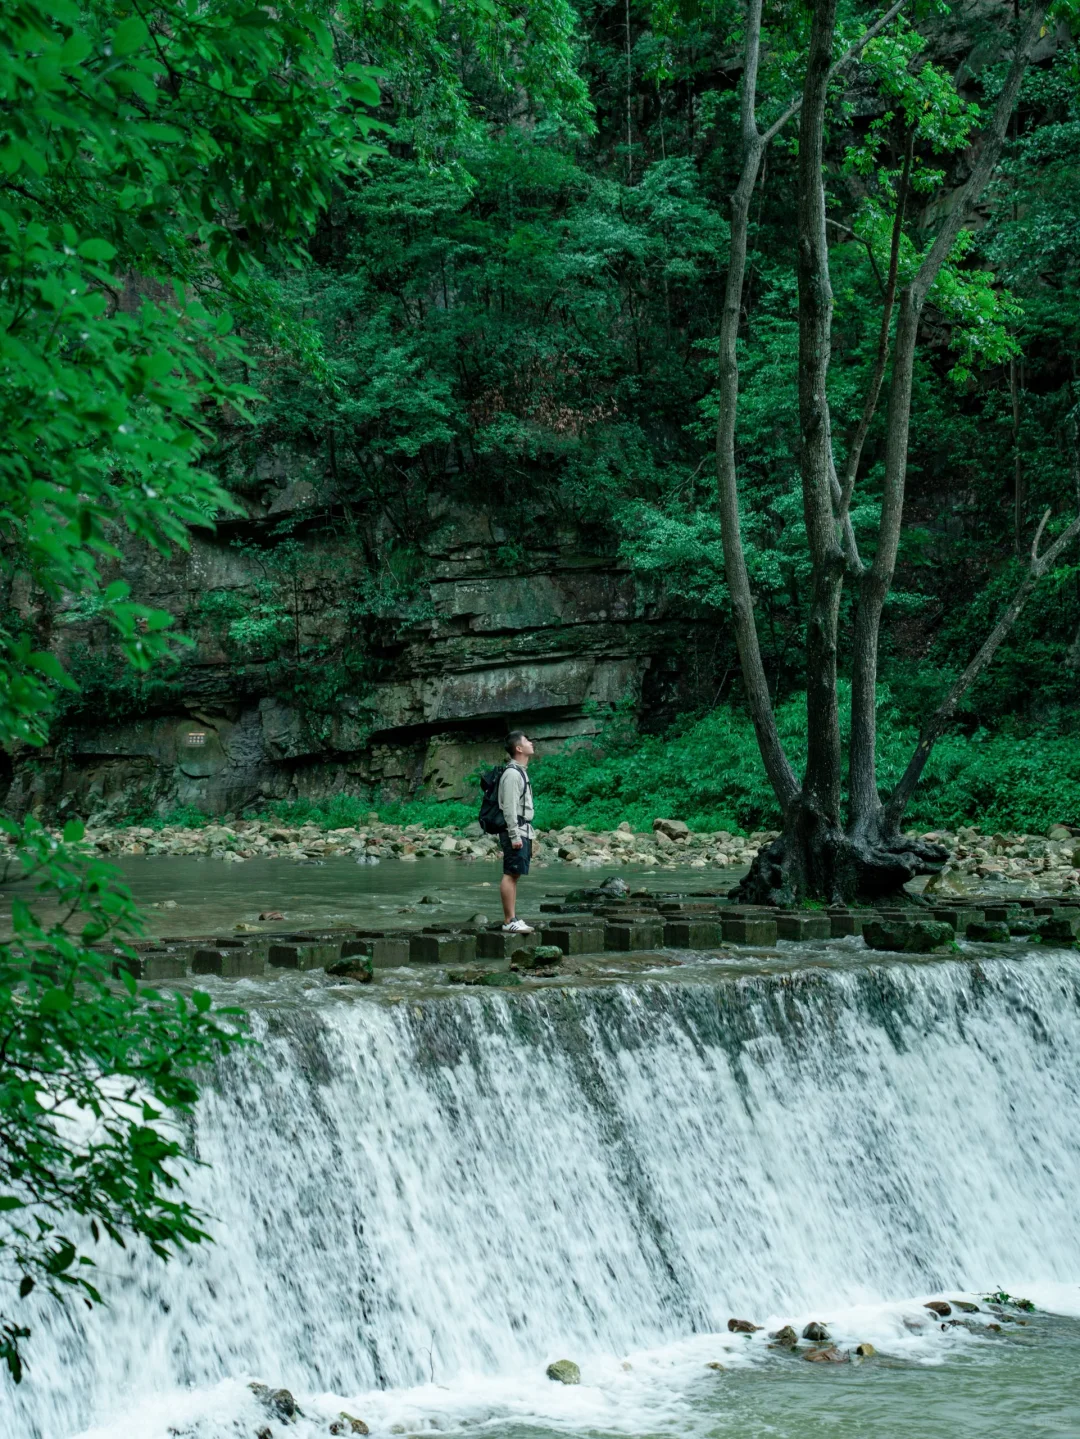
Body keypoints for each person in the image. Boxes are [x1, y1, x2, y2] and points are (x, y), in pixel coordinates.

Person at [498, 731, 535, 933]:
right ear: (519, 748)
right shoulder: (512, 774)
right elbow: (510, 808)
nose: (531, 743)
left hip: (522, 829)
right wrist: (514, 835)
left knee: (515, 874)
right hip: (516, 829)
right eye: (527, 740)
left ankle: (513, 917)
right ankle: (508, 920)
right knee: (510, 873)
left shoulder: (520, 771)